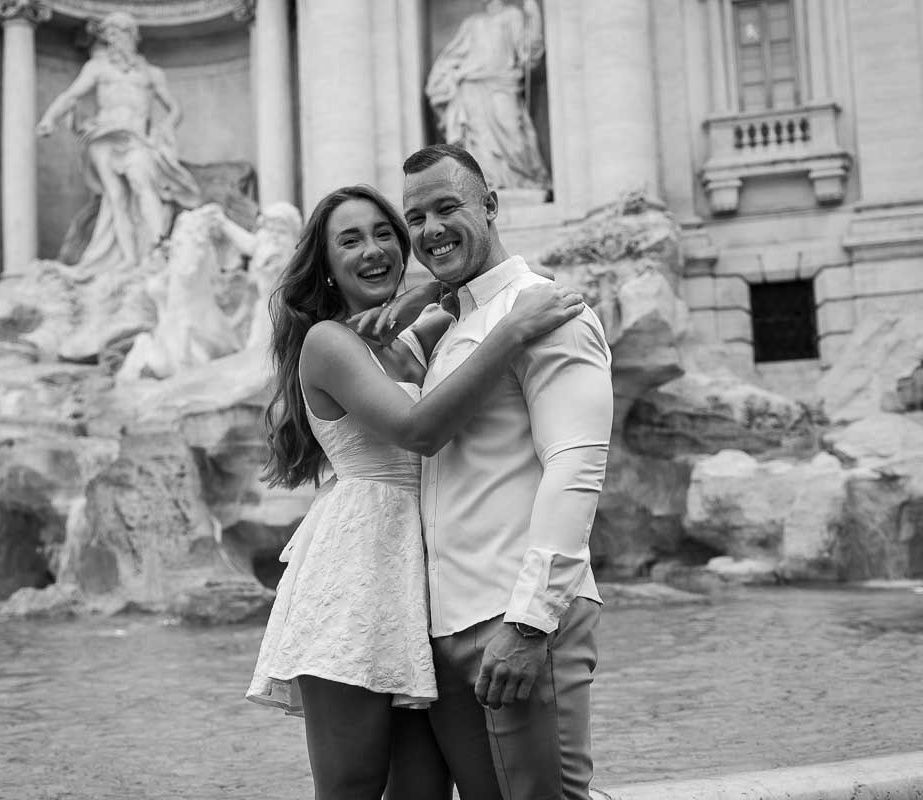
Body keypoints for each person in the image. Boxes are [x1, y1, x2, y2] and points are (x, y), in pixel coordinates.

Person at [245, 184, 584, 800]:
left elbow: (479, 287)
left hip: (429, 574)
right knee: (353, 786)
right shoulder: (327, 343)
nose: (373, 250)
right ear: (324, 265)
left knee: (426, 789)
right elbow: (416, 430)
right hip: (356, 572)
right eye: (350, 240)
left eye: (384, 234)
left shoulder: (408, 339)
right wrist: (507, 335)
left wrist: (428, 291)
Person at [398, 143, 613, 800]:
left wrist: (528, 624)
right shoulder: (453, 326)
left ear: (490, 205)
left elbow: (575, 468)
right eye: (415, 217)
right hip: (449, 627)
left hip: (517, 617)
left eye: (446, 207)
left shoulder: (547, 311)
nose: (431, 230)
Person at [36, 11, 201, 271]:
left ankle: (159, 248)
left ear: (131, 35)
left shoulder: (151, 73)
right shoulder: (97, 67)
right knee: (115, 198)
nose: (112, 40)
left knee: (143, 183)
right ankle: (129, 258)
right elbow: (71, 96)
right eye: (109, 35)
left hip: (136, 138)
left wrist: (164, 128)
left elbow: (175, 109)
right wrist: (49, 118)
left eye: (117, 33)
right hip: (104, 137)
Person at [425, 0, 551, 192]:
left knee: (512, 133)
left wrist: (534, 18)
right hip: (471, 86)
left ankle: (520, 180)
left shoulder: (513, 15)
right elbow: (452, 57)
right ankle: (486, 185)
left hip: (503, 83)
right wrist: (445, 77)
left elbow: (526, 54)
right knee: (479, 141)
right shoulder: (472, 23)